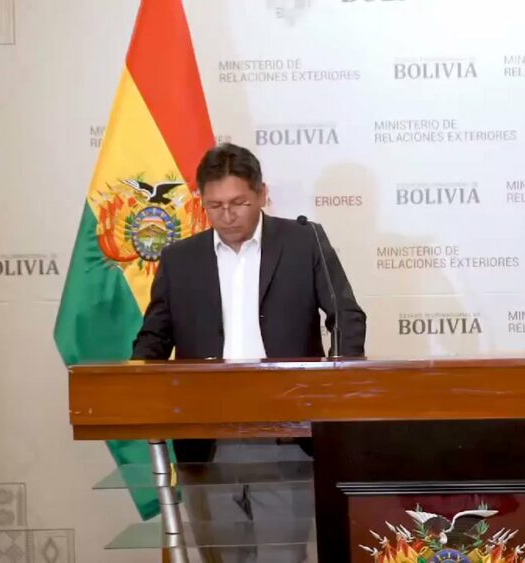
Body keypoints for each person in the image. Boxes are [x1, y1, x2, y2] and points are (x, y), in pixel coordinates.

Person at [132, 142, 366, 562]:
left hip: (287, 433)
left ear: (262, 194)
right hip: (205, 438)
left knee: (283, 556)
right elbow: (154, 338)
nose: (227, 215)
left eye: (238, 202)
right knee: (221, 556)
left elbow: (346, 316)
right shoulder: (179, 259)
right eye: (215, 205)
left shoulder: (303, 242)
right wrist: (135, 385)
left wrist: (336, 397)